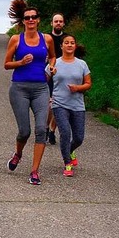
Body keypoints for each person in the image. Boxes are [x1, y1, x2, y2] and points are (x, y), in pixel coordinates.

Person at [4, 0, 56, 185]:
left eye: (34, 17)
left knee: (41, 129)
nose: (31, 20)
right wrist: (20, 62)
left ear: (39, 20)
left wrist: (51, 66)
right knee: (24, 131)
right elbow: (6, 64)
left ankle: (34, 171)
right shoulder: (16, 39)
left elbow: (52, 56)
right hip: (20, 88)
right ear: (23, 21)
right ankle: (18, 154)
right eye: (27, 18)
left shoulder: (47, 39)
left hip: (41, 88)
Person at [47, 35, 91, 177]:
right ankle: (67, 163)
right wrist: (47, 96)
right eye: (67, 43)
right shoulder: (55, 63)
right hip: (59, 103)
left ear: (75, 46)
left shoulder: (82, 64)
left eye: (72, 43)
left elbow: (88, 83)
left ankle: (70, 150)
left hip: (77, 105)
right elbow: (43, 80)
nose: (70, 45)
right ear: (62, 46)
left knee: (78, 137)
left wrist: (78, 88)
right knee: (65, 132)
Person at [46, 13, 67, 145]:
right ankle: (45, 128)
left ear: (63, 23)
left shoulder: (67, 39)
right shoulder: (46, 38)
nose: (58, 23)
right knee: (49, 104)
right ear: (51, 23)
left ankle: (52, 130)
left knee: (58, 104)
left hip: (63, 75)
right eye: (56, 21)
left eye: (60, 21)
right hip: (48, 74)